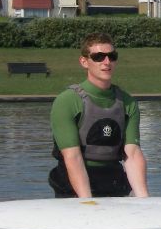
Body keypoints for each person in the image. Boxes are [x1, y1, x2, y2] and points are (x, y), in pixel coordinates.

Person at [49, 32, 149, 198]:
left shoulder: (128, 102)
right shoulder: (67, 101)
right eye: (98, 57)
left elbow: (132, 154)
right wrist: (87, 202)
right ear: (84, 61)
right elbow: (72, 157)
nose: (107, 62)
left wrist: (144, 200)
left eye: (112, 56)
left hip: (114, 181)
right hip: (73, 186)